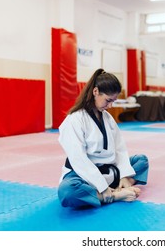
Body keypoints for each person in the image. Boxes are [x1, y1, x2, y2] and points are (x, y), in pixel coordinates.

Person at [57, 68, 149, 209]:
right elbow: (78, 159)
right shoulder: (74, 120)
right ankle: (113, 195)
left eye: (113, 101)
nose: (110, 106)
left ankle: (119, 186)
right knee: (67, 191)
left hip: (109, 170)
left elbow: (120, 148)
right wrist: (102, 187)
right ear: (95, 92)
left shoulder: (107, 117)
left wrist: (124, 175)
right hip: (84, 175)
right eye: (108, 100)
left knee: (141, 160)